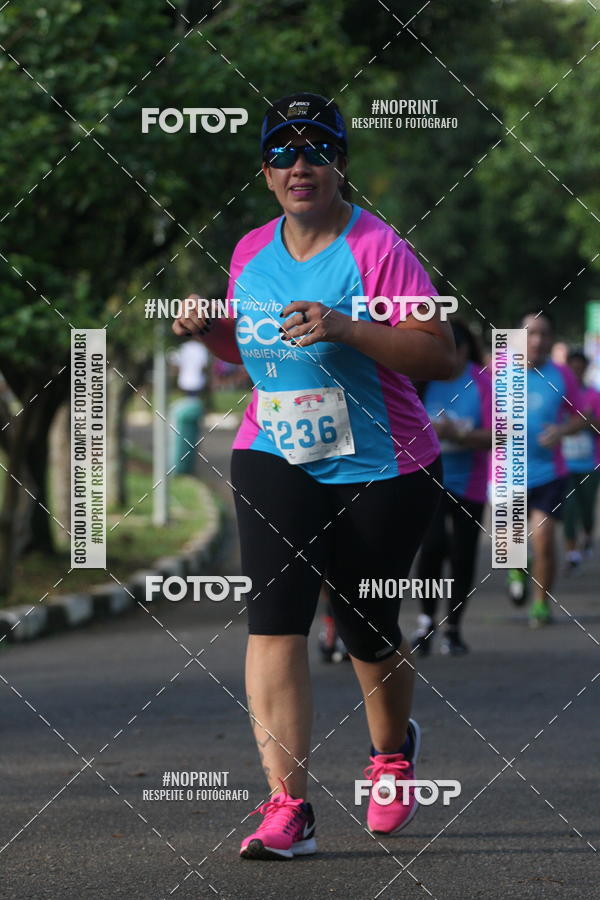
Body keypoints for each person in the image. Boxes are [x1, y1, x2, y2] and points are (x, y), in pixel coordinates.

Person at [173, 92, 455, 860]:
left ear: (340, 164)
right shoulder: (249, 252)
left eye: (316, 150)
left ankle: (391, 755)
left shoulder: (377, 248)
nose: (300, 165)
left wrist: (346, 327)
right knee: (276, 620)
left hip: (383, 464)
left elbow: (439, 353)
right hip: (275, 452)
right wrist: (213, 330)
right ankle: (287, 807)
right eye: (283, 153)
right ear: (265, 172)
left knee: (366, 624)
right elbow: (256, 353)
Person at [412, 320, 492, 656]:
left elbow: (499, 436)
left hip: (469, 481)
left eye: (453, 350)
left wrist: (458, 434)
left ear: (464, 350)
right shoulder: (421, 380)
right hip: (429, 478)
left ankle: (454, 628)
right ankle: (426, 620)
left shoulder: (483, 382)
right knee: (432, 546)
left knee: (463, 553)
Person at [506, 311, 585, 627]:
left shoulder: (561, 374)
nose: (537, 340)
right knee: (510, 543)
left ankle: (540, 605)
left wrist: (561, 431)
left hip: (549, 472)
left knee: (543, 537)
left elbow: (582, 416)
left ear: (551, 339)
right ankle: (516, 566)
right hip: (507, 474)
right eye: (531, 333)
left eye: (544, 334)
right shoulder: (498, 372)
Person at [562, 350, 600, 571]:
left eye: (580, 368)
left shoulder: (594, 395)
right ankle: (571, 552)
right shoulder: (559, 394)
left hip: (590, 464)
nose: (576, 372)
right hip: (564, 465)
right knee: (569, 508)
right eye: (572, 368)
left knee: (586, 509)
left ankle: (587, 534)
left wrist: (587, 420)